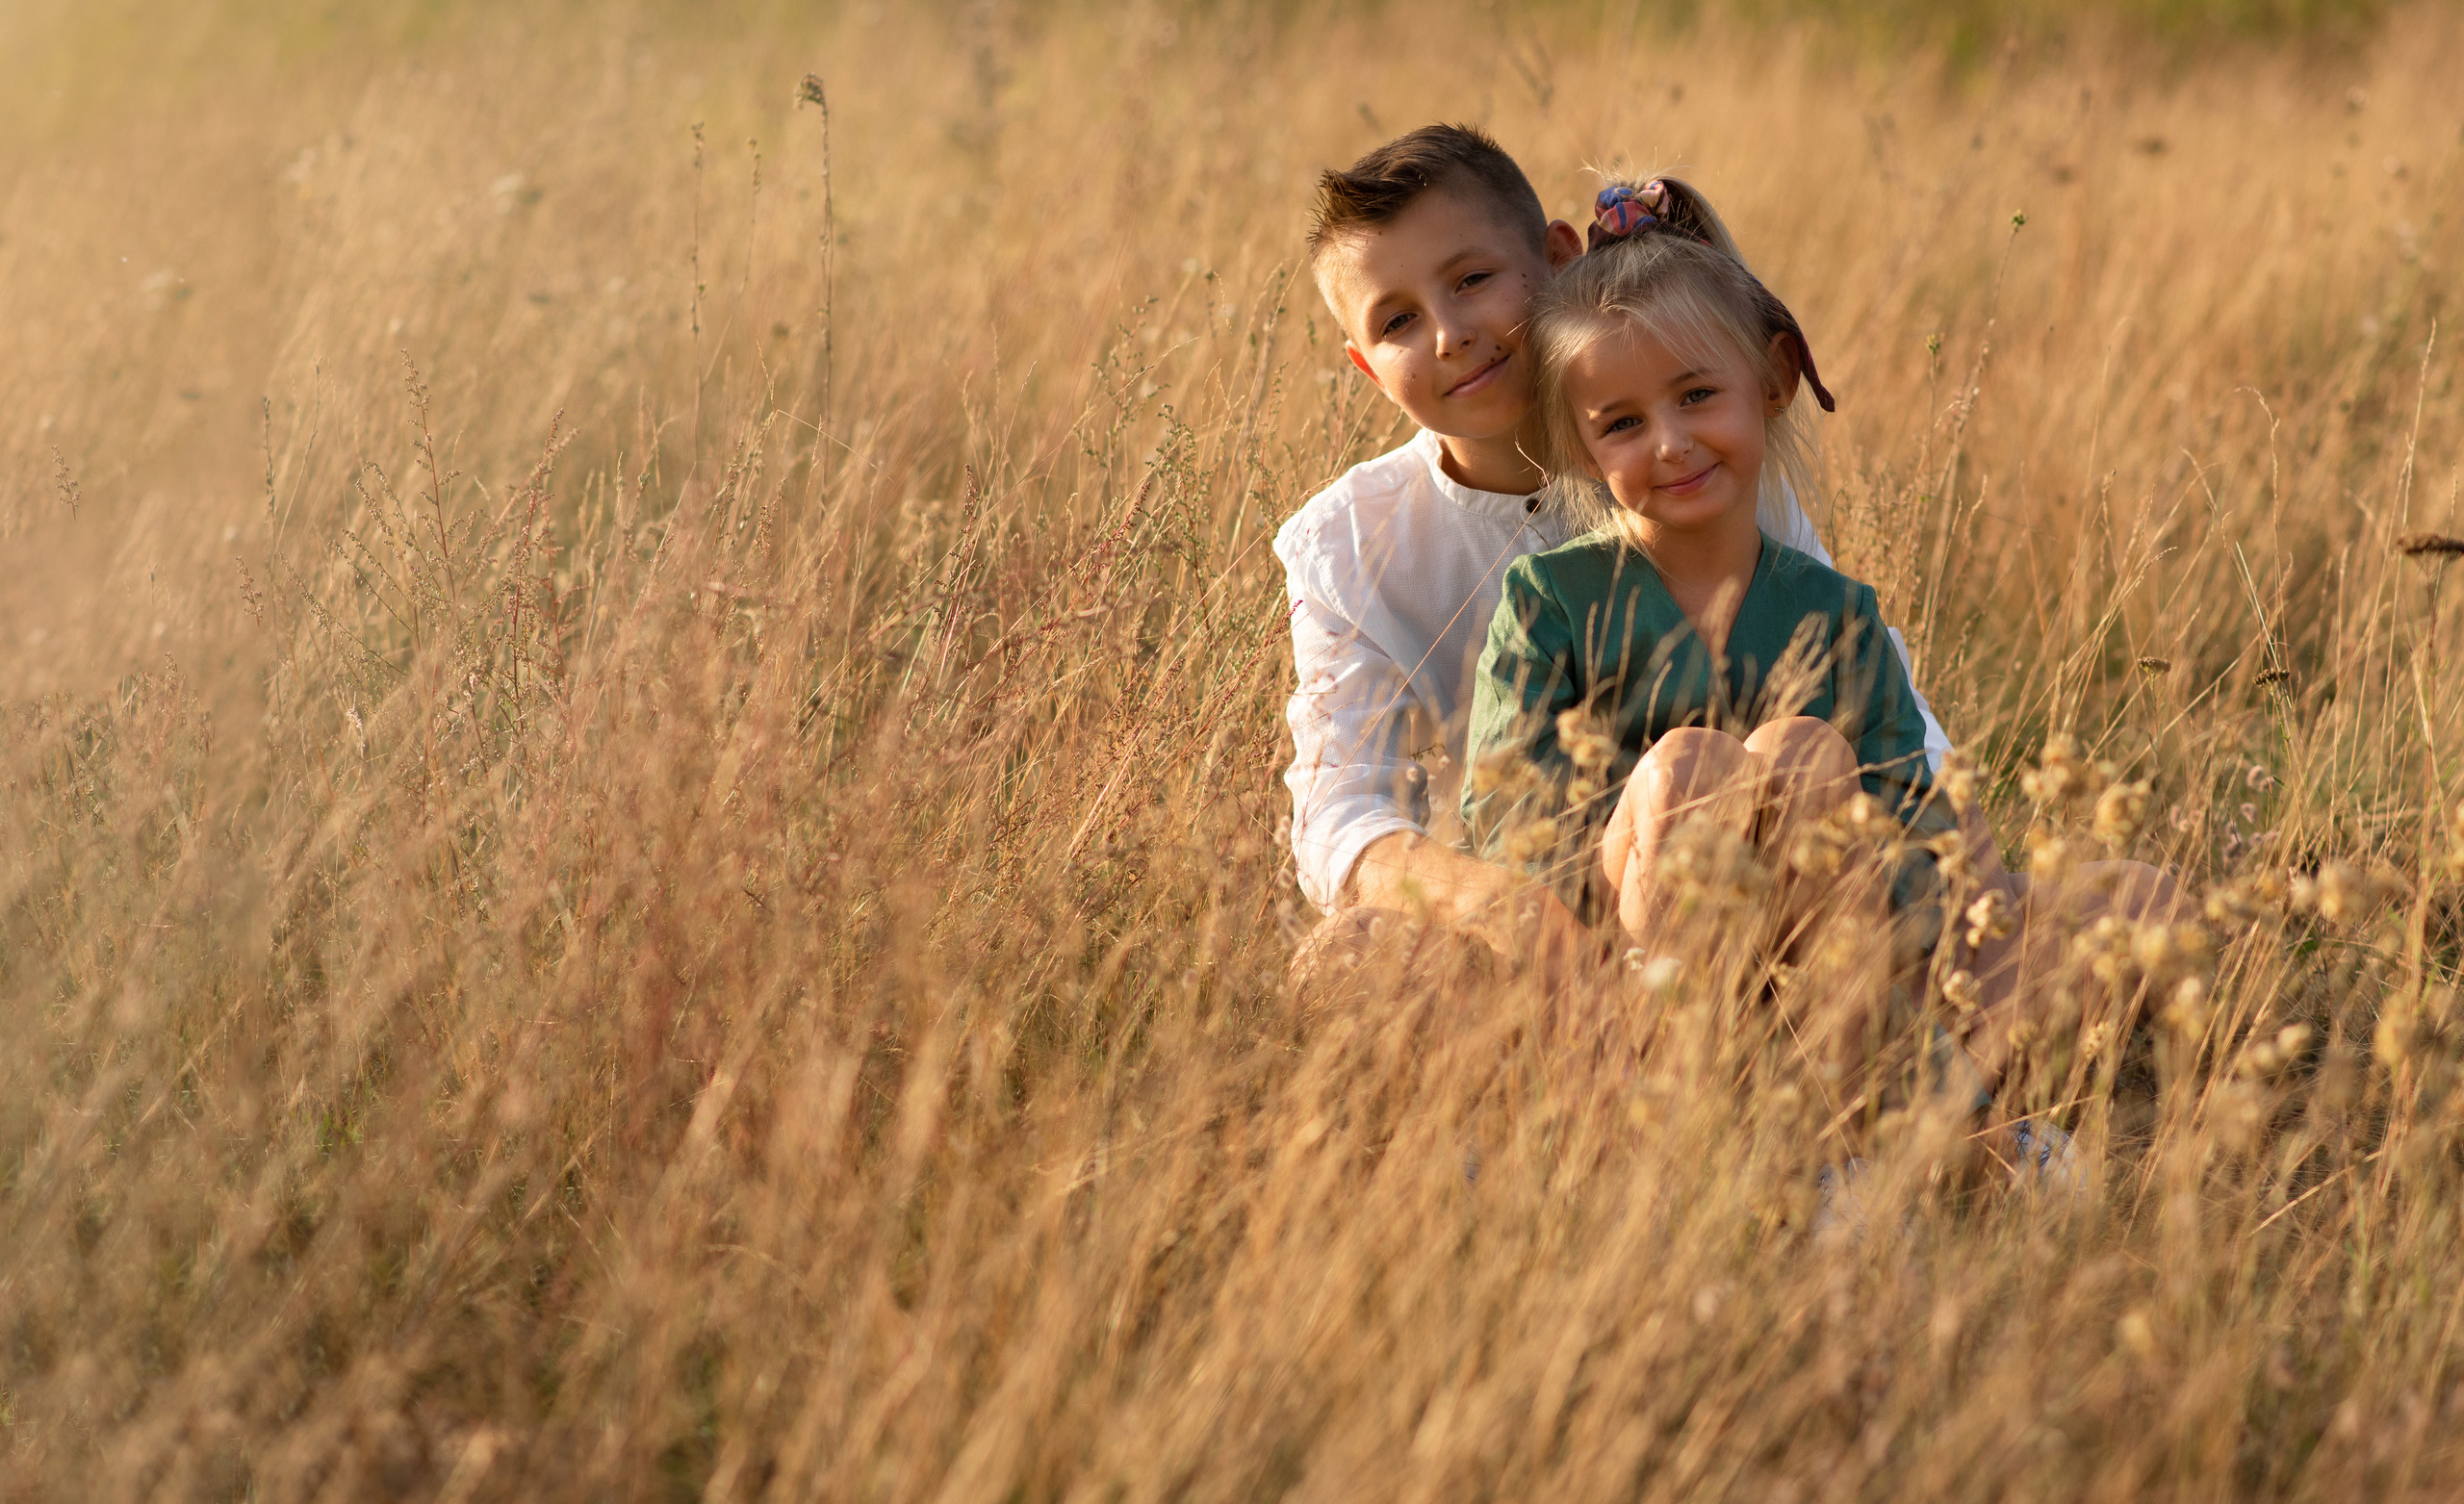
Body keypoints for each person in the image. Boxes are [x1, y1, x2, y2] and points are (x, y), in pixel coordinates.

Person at [1465, 175, 2180, 1155]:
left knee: (1807, 754)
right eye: (1622, 423)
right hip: (1634, 967)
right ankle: (1693, 1126)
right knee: (1688, 770)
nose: (1670, 442)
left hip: (1829, 965)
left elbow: (1913, 829)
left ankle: (1858, 1139)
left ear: (1771, 383)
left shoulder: (1834, 615)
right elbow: (1512, 829)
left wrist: (1818, 899)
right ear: (1581, 449)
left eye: (1696, 396)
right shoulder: (1548, 605)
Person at [1276, 125, 1959, 985]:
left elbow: (1869, 688)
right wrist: (1516, 909)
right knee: (1346, 964)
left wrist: (1970, 878)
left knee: (2094, 908)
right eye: (1399, 320)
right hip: (1533, 909)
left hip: (1779, 892)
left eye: (1474, 279)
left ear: (1560, 259)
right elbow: (1342, 819)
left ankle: (1827, 1062)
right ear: (1366, 369)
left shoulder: (1693, 463)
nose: (1448, 333)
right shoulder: (1346, 545)